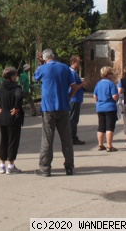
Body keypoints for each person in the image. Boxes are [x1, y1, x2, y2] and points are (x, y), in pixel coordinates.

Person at [33, 49, 76, 177]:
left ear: (45, 59)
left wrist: (40, 64)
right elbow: (73, 87)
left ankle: (45, 168)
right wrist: (68, 97)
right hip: (63, 106)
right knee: (66, 138)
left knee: (47, 138)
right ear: (54, 56)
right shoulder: (65, 68)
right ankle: (69, 167)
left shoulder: (43, 68)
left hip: (48, 108)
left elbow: (36, 76)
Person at [0, 66, 25, 175]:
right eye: (15, 75)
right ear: (12, 76)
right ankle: (11, 165)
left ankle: (2, 165)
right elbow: (19, 96)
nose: (16, 77)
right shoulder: (16, 88)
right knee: (13, 141)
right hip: (13, 118)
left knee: (3, 140)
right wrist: (17, 108)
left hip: (2, 117)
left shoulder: (0, 87)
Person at [93, 66, 119, 152]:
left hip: (100, 107)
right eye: (111, 73)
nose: (112, 75)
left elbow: (95, 96)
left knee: (101, 126)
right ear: (108, 74)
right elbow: (114, 96)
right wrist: (118, 98)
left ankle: (100, 145)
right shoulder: (111, 84)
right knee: (109, 127)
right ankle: (109, 146)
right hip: (110, 107)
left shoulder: (98, 84)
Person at [68, 56, 87, 145]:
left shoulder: (73, 72)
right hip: (74, 98)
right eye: (78, 62)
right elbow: (74, 86)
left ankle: (72, 137)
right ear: (73, 62)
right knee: (73, 119)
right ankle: (72, 138)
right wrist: (82, 84)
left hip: (75, 98)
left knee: (73, 118)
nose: (79, 64)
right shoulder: (72, 73)